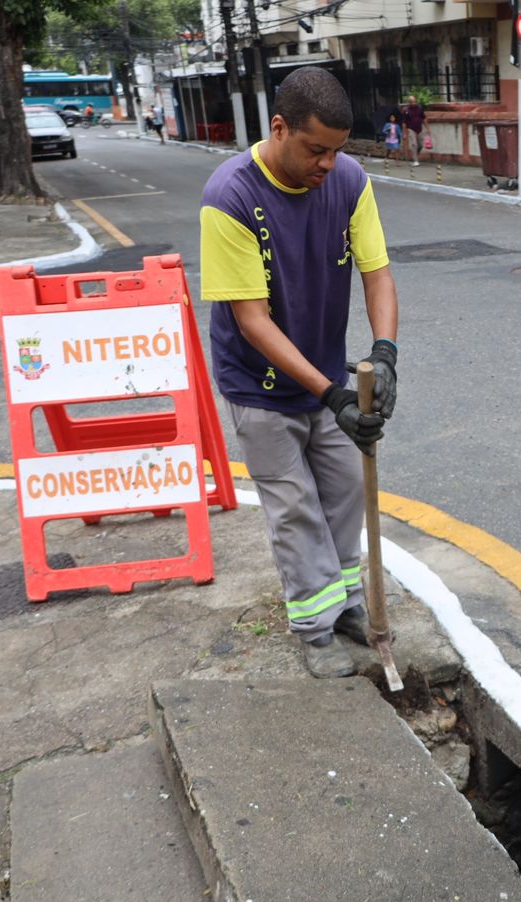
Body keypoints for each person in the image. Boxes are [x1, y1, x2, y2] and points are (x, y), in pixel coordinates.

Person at [199, 67, 399, 679]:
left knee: (343, 494)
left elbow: (377, 273)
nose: (328, 165)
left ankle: (344, 608)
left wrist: (385, 352)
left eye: (338, 151)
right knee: (294, 508)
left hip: (323, 376)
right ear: (279, 128)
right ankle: (315, 630)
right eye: (316, 150)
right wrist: (331, 392)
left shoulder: (350, 182)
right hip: (261, 388)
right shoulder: (229, 196)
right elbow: (253, 322)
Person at [399, 94, 425, 166]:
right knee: (414, 144)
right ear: (409, 103)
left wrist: (428, 128)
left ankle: (415, 155)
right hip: (411, 129)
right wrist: (404, 133)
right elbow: (404, 123)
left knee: (420, 145)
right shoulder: (406, 110)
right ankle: (415, 160)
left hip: (419, 128)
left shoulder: (420, 109)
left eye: (414, 101)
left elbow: (424, 118)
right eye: (411, 102)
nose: (413, 103)